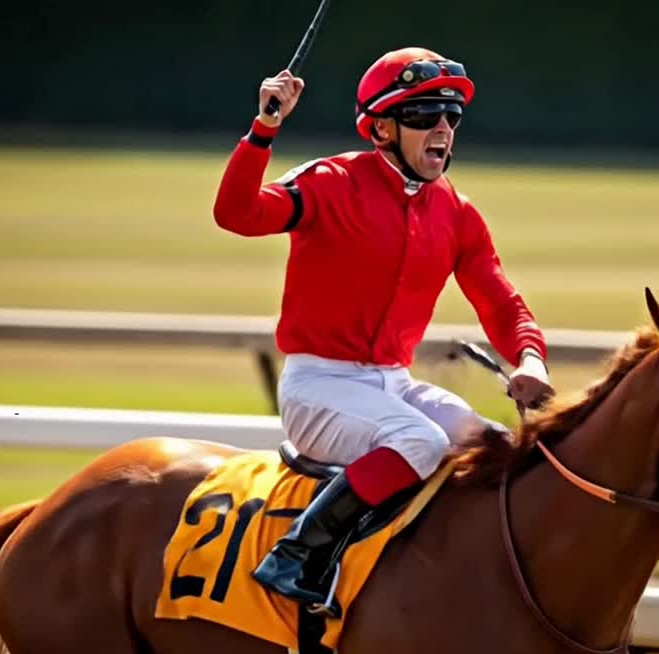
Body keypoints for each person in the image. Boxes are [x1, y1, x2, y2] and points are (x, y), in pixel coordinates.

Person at [213, 47, 553, 607]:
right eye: (423, 116)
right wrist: (265, 126)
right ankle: (298, 554)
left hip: (392, 384)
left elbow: (500, 302)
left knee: (496, 448)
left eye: (450, 117)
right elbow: (237, 214)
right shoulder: (330, 181)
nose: (442, 128)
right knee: (420, 440)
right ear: (383, 129)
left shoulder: (458, 214)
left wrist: (531, 361)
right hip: (318, 388)